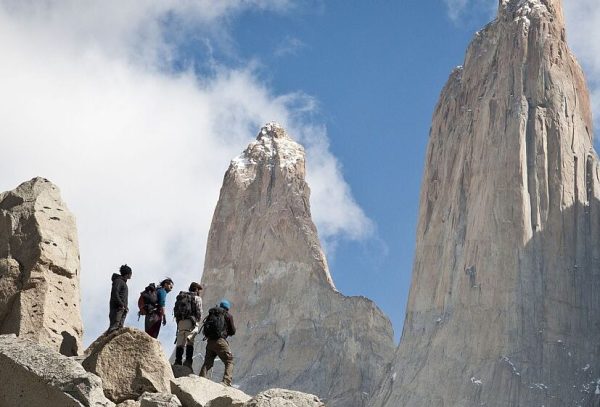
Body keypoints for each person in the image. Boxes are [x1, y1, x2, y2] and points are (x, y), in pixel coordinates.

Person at [199, 299, 236, 386]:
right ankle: (226, 381)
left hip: (210, 341)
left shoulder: (212, 314)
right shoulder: (228, 316)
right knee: (229, 361)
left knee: (207, 362)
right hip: (220, 341)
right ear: (227, 308)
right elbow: (233, 331)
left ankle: (201, 378)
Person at [173, 282, 204, 368]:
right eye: (199, 290)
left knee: (180, 342)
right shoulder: (197, 298)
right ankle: (188, 362)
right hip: (191, 322)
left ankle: (177, 361)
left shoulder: (182, 297)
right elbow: (199, 311)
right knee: (190, 342)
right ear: (196, 289)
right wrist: (197, 321)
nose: (199, 292)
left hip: (180, 322)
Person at [108, 264, 132, 333]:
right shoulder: (119, 281)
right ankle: (109, 340)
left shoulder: (123, 282)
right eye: (131, 273)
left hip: (121, 308)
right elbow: (115, 294)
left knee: (119, 327)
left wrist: (125, 307)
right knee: (114, 327)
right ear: (128, 273)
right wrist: (121, 305)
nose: (131, 274)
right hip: (117, 309)